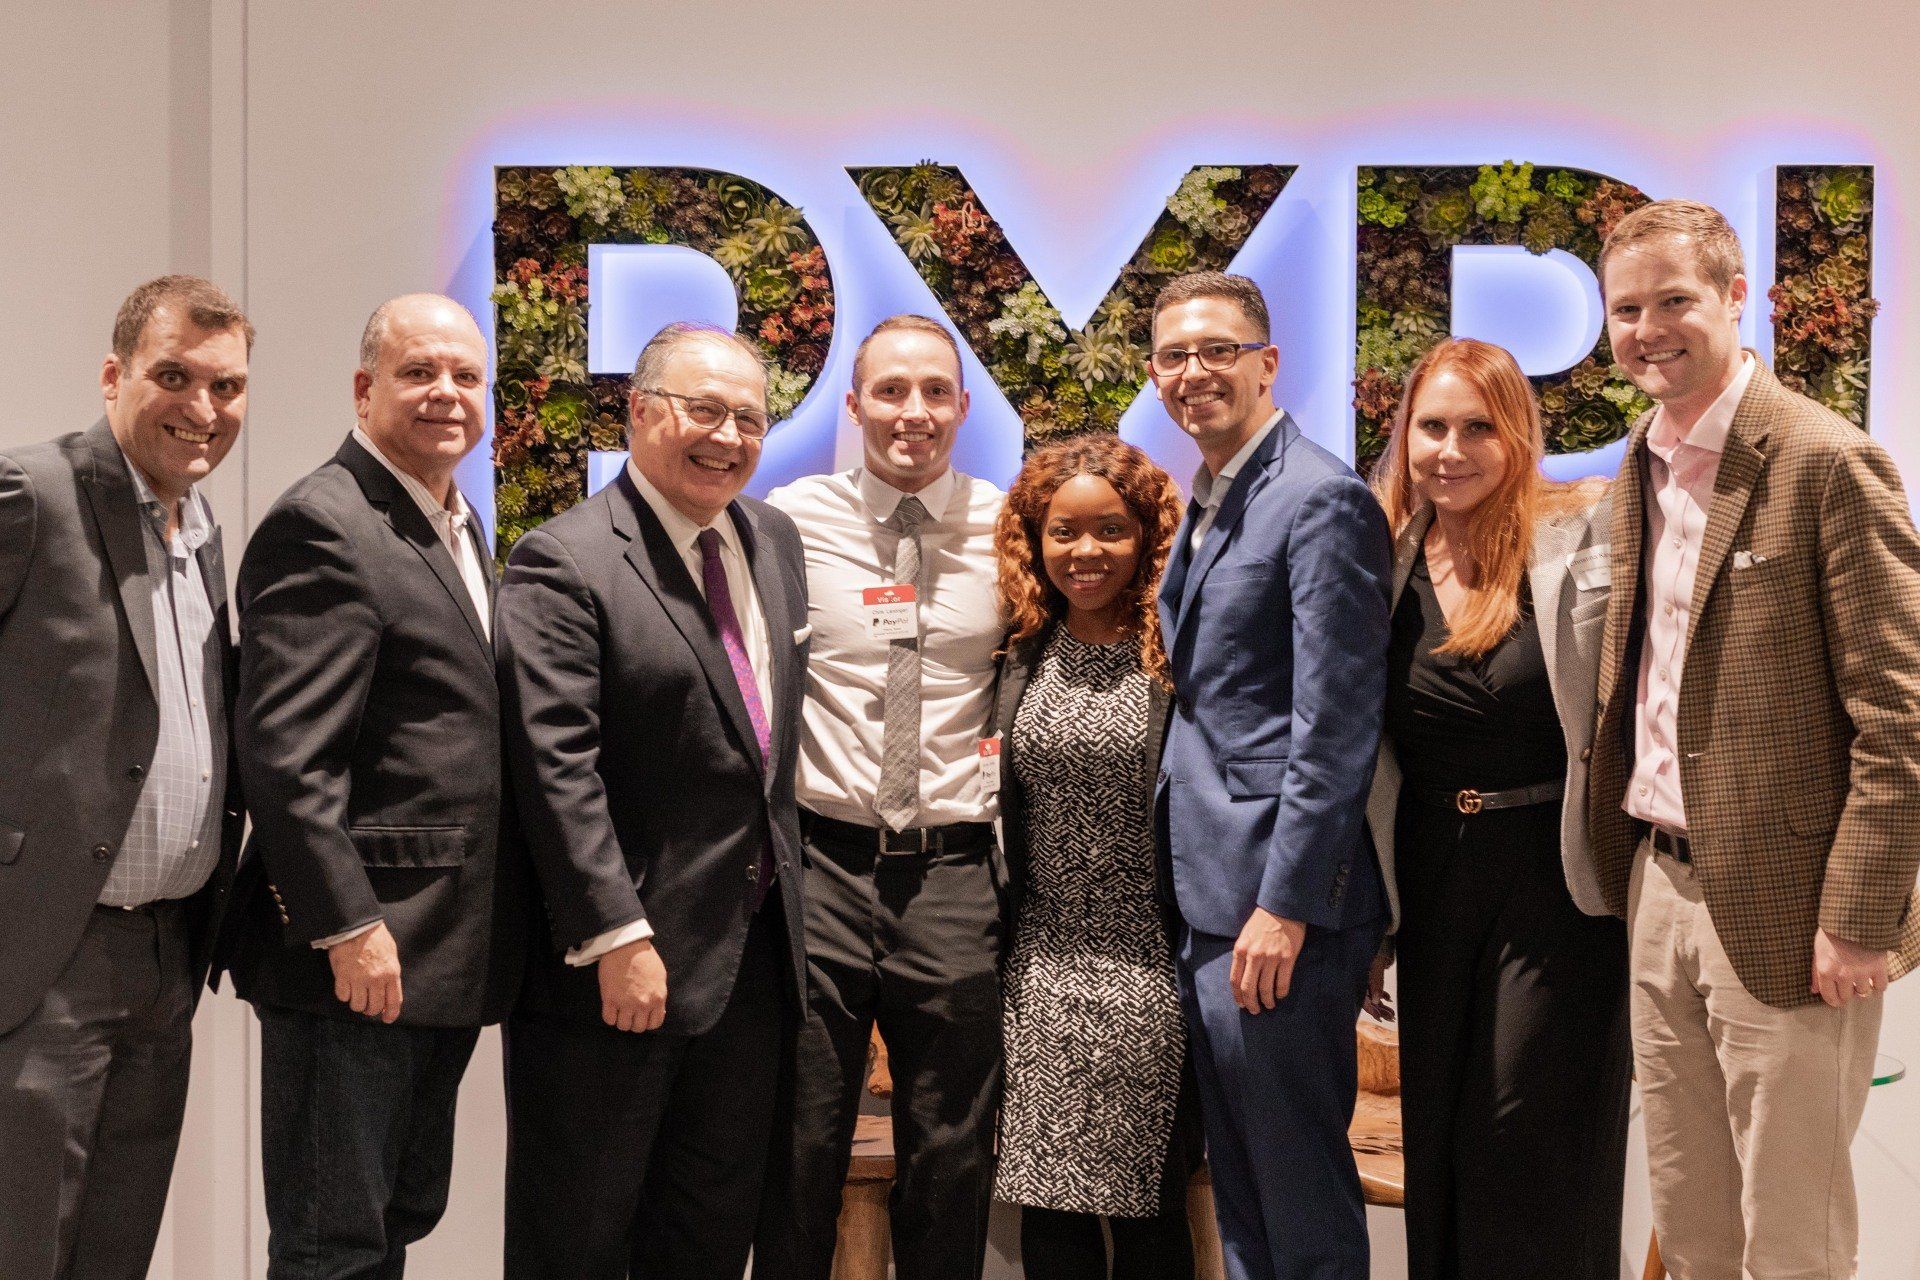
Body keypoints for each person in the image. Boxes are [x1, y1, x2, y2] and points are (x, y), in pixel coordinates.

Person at [1586, 199, 1920, 1280]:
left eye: (1674, 300)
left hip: (1792, 906)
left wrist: (1859, 920)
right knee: (1691, 1229)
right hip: (1658, 884)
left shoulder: (1828, 460)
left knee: (1792, 1241)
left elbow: (1902, 719)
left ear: (1738, 298)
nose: (1648, 330)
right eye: (1626, 309)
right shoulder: (1642, 458)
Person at [497, 321, 810, 1279]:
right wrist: (616, 936)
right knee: (579, 1240)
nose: (728, 436)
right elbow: (556, 768)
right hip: (617, 972)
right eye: (704, 410)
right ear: (638, 412)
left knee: (707, 1240)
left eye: (749, 418)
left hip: (752, 968)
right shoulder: (564, 560)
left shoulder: (773, 540)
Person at [229, 293, 525, 1278]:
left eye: (466, 376)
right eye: (419, 372)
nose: (447, 393)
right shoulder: (324, 522)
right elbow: (287, 756)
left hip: (438, 953)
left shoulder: (453, 521)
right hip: (358, 957)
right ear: (365, 390)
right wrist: (346, 924)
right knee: (332, 1245)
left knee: (395, 1220)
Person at [1363, 338, 1630, 1280]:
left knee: (1530, 1137)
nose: (1450, 450)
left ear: (1517, 434)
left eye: (1477, 427)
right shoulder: (1383, 558)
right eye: (1431, 426)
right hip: (1433, 875)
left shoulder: (1581, 535)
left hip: (1556, 879)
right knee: (1440, 1134)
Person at [0, 275, 250, 1279]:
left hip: (166, 958)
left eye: (227, 386)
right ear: (115, 375)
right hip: (47, 947)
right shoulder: (34, 492)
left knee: (115, 1249)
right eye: (174, 377)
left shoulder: (202, 532)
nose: (203, 408)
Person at [754, 314, 1006, 1280]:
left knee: (951, 1154)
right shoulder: (788, 522)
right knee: (802, 1143)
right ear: (854, 404)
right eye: (892, 390)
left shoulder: (1007, 525)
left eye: (935, 391)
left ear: (964, 407)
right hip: (821, 868)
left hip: (952, 877)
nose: (914, 412)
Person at [1151, 270, 1391, 1280]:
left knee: (1299, 1195)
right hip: (1212, 897)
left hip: (1274, 914)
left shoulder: (1319, 497)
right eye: (1173, 355)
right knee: (1245, 1189)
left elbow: (1335, 727)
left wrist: (1285, 905)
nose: (1194, 372)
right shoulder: (1213, 494)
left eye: (1218, 349)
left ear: (1268, 363)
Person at [989, 434, 1199, 1280]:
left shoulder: (1180, 652)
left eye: (1112, 530)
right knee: (1049, 1216)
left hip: (1153, 969)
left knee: (1149, 1215)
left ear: (1148, 537)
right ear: (1035, 541)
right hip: (1039, 966)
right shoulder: (1018, 651)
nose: (1087, 552)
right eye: (1064, 531)